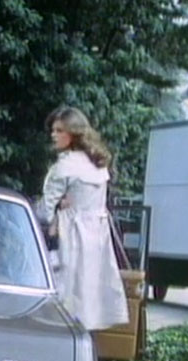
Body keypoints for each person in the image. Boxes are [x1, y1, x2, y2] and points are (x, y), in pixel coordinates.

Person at [36, 105, 128, 331]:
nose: (53, 135)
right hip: (95, 238)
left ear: (74, 133)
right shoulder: (98, 166)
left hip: (68, 237)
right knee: (89, 296)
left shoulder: (64, 167)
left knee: (62, 295)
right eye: (53, 130)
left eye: (60, 131)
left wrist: (57, 209)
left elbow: (44, 213)